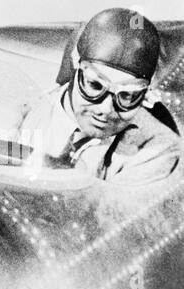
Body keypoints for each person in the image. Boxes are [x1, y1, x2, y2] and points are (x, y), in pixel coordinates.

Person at [19, 8, 181, 185]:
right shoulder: (19, 116)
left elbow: (106, 211)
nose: (105, 109)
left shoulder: (156, 148)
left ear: (145, 94)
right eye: (95, 85)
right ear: (75, 63)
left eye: (127, 96)